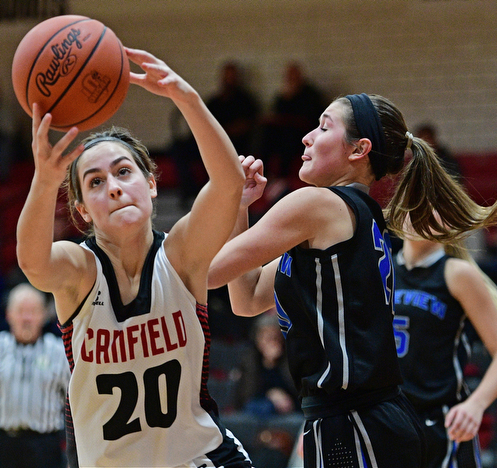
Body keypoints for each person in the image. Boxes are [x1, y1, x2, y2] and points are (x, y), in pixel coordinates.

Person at [207, 92, 497, 468]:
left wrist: (215, 199)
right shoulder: (345, 218)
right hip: (357, 419)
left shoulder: (317, 205)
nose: (306, 137)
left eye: (323, 126)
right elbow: (248, 299)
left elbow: (204, 272)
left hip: (358, 420)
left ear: (359, 150)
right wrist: (240, 208)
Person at [16, 47, 253, 468]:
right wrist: (45, 178)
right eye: (95, 181)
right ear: (83, 210)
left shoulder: (179, 256)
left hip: (200, 458)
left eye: (123, 172)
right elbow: (33, 262)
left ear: (152, 184)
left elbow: (229, 183)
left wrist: (186, 97)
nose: (113, 186)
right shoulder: (81, 269)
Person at [393, 227, 497, 468]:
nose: (418, 213)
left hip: (439, 421)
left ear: (447, 221)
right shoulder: (380, 269)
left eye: (429, 206)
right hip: (385, 417)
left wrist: (475, 405)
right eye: (412, 205)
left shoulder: (456, 273)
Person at [0, 283, 70, 468]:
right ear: (9, 314)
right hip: (4, 443)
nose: (27, 318)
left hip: (45, 446)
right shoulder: (1, 347)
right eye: (21, 311)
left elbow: (72, 399)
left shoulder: (58, 351)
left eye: (33, 311)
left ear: (44, 315)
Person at [258, 61, 325, 178]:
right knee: (266, 134)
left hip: (302, 133)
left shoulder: (310, 94)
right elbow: (276, 114)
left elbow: (309, 118)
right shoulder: (283, 95)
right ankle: (264, 173)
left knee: (288, 138)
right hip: (284, 131)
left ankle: (282, 177)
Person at [234, 312, 299, 417]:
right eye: (266, 338)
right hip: (258, 404)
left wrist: (275, 363)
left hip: (289, 405)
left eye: (274, 337)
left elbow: (297, 391)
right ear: (257, 339)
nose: (271, 342)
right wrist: (270, 394)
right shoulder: (249, 359)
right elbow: (246, 395)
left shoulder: (290, 357)